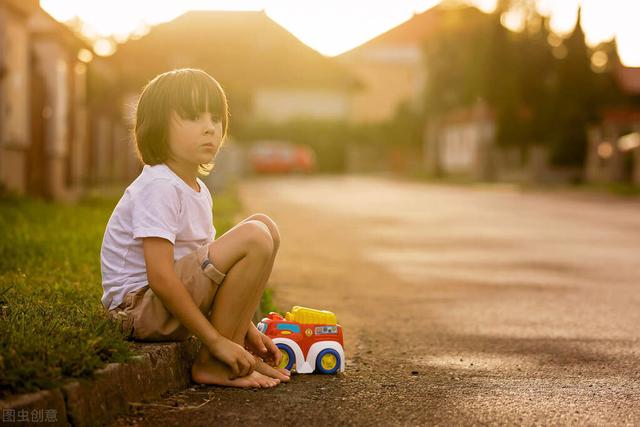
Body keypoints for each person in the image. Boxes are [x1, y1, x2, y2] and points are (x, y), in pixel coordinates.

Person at [100, 68, 289, 388]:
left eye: (215, 118)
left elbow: (218, 278)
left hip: (163, 306)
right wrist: (214, 340)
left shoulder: (198, 191)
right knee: (254, 236)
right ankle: (214, 361)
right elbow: (160, 277)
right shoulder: (159, 184)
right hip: (137, 310)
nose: (209, 129)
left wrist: (249, 331)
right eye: (193, 117)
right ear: (158, 126)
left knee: (265, 227)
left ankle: (238, 354)